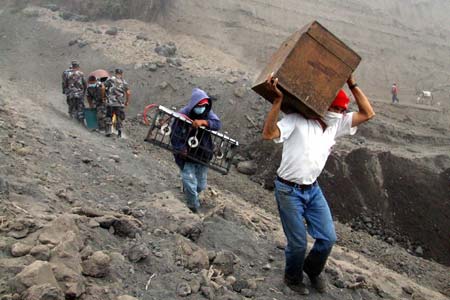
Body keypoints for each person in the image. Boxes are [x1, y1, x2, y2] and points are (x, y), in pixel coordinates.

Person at [262, 73, 375, 294]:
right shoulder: (298, 121)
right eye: (337, 109)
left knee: (328, 238)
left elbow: (368, 113)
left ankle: (312, 270)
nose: (341, 114)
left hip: (312, 189)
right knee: (298, 244)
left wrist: (351, 82)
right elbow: (268, 134)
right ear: (325, 107)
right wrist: (278, 101)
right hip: (287, 190)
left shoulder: (337, 125)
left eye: (343, 110)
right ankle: (292, 278)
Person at [170, 88, 222, 213]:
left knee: (200, 186)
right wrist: (180, 148)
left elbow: (217, 124)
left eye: (204, 106)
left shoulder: (207, 113)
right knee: (190, 182)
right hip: (187, 155)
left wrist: (204, 122)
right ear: (194, 105)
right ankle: (193, 206)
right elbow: (174, 135)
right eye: (199, 106)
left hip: (203, 155)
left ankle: (189, 192)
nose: (202, 108)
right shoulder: (183, 114)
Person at [104, 68, 131, 137]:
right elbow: (128, 93)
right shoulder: (124, 82)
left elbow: (103, 87)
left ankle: (108, 131)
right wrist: (127, 101)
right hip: (120, 103)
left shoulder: (110, 79)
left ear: (115, 73)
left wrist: (104, 96)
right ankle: (119, 133)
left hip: (110, 102)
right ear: (121, 74)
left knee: (109, 116)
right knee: (119, 117)